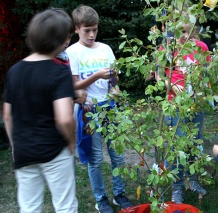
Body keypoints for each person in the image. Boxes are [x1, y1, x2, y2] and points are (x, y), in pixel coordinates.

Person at [3, 8, 78, 213]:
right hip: (54, 150)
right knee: (65, 206)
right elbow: (64, 118)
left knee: (29, 207)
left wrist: (14, 144)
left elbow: (7, 114)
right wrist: (71, 139)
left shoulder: (15, 70)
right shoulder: (58, 71)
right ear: (58, 41)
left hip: (23, 151)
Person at [66, 5, 133, 213]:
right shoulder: (72, 52)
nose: (92, 34)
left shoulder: (105, 49)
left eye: (95, 29)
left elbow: (115, 79)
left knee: (118, 155)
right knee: (95, 158)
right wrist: (96, 76)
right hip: (89, 110)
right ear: (77, 29)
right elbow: (73, 85)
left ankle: (119, 194)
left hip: (110, 108)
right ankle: (100, 198)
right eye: (87, 30)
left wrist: (114, 85)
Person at [154, 19, 211, 204]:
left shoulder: (201, 47)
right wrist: (172, 86)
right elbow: (159, 76)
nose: (184, 37)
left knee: (194, 141)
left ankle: (191, 180)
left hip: (196, 105)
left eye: (188, 33)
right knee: (176, 146)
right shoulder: (167, 50)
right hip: (175, 105)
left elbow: (207, 74)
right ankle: (176, 188)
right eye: (181, 33)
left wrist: (204, 91)